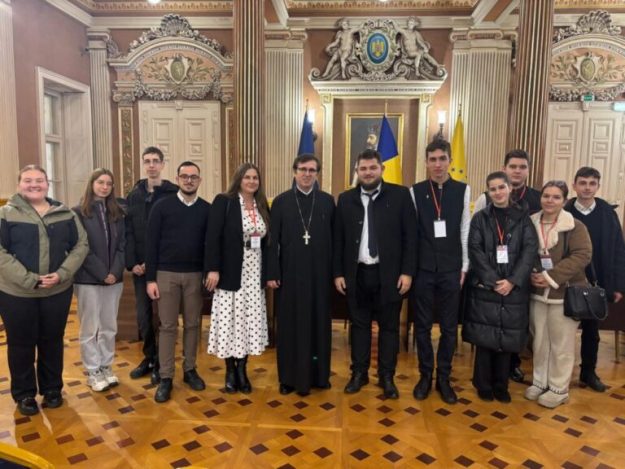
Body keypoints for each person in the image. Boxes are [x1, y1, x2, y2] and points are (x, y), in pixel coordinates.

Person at [0, 165, 88, 416]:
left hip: (56, 292)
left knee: (52, 341)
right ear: (19, 184)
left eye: (39, 180)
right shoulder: (5, 214)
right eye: (28, 180)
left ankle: (52, 389)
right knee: (21, 344)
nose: (34, 185)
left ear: (47, 184)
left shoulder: (64, 213)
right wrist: (29, 279)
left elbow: (81, 245)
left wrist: (62, 274)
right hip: (16, 294)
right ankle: (24, 394)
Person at [334, 149, 417, 399]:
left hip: (389, 275)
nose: (368, 173)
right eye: (363, 168)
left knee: (389, 328)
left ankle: (386, 376)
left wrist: (407, 272)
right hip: (357, 274)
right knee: (359, 327)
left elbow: (410, 238)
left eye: (372, 168)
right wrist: (338, 273)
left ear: (382, 169)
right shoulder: (345, 199)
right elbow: (338, 240)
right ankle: (359, 374)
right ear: (357, 171)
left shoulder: (401, 196)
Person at [463, 172, 538, 403]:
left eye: (501, 187)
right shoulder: (480, 218)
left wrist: (513, 280)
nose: (497, 192)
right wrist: (494, 281)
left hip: (513, 288)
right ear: (488, 192)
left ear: (509, 188)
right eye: (493, 189)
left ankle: (501, 384)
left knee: (507, 339)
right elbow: (474, 249)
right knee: (485, 338)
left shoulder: (523, 218)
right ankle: (483, 384)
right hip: (487, 287)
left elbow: (529, 251)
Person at [267, 154, 335, 396]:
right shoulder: (281, 202)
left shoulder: (327, 201)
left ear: (317, 174)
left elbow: (336, 240)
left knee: (318, 325)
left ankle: (319, 375)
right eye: (303, 169)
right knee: (290, 326)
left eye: (312, 170)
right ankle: (288, 378)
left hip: (320, 276)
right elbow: (272, 241)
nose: (307, 174)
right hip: (289, 275)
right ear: (294, 171)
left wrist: (335, 273)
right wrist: (272, 272)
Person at [410, 139, 470, 404]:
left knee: (448, 327)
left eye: (442, 159)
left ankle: (444, 377)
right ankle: (425, 375)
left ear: (450, 161)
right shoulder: (415, 191)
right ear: (426, 162)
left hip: (451, 268)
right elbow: (412, 234)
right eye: (432, 159)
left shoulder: (463, 190)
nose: (437, 164)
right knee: (422, 326)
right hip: (423, 268)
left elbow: (465, 229)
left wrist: (465, 266)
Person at [145, 161, 211, 403]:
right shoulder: (162, 207)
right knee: (168, 326)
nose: (189, 180)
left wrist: (208, 273)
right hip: (166, 274)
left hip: (195, 275)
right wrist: (150, 279)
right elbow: (151, 244)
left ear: (199, 180)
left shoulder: (207, 209)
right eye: (185, 176)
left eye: (194, 177)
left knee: (193, 325)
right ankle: (166, 376)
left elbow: (210, 245)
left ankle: (190, 369)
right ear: (177, 179)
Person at [526, 181, 592, 408]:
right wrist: (531, 273)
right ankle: (540, 381)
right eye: (546, 196)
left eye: (556, 197)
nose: (550, 201)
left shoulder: (575, 226)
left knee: (561, 344)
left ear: (564, 200)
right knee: (539, 341)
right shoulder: (531, 222)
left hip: (564, 293)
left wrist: (551, 276)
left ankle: (558, 387)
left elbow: (582, 255)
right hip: (536, 292)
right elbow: (524, 251)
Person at [206, 163, 270, 394]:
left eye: (255, 178)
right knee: (230, 321)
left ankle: (242, 369)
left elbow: (267, 241)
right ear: (239, 179)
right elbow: (212, 237)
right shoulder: (224, 201)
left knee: (247, 322)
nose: (252, 181)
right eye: (247, 177)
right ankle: (230, 371)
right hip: (231, 272)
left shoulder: (262, 205)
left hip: (254, 274)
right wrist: (213, 269)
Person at [566, 167, 625, 392]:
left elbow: (618, 250)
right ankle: (560, 373)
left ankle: (588, 372)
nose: (587, 188)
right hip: (568, 280)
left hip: (597, 281)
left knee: (592, 332)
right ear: (574, 185)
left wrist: (617, 285)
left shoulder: (607, 213)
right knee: (564, 331)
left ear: (598, 186)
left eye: (592, 183)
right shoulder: (565, 210)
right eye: (583, 183)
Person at [125, 146, 178, 384]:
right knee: (144, 316)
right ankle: (149, 357)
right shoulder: (134, 195)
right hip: (140, 268)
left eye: (156, 161)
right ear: (143, 164)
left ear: (163, 164)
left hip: (164, 266)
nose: (152, 165)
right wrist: (133, 263)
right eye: (147, 161)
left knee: (164, 318)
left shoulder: (172, 193)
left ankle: (162, 363)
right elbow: (128, 232)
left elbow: (173, 232)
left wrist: (153, 261)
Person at [73, 169, 126, 392]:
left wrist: (114, 271)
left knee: (109, 326)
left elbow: (123, 245)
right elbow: (80, 247)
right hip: (88, 279)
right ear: (92, 184)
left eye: (109, 183)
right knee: (89, 328)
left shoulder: (118, 212)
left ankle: (106, 365)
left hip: (115, 279)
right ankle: (93, 370)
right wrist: (102, 272)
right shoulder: (78, 212)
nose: (104, 187)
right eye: (100, 182)